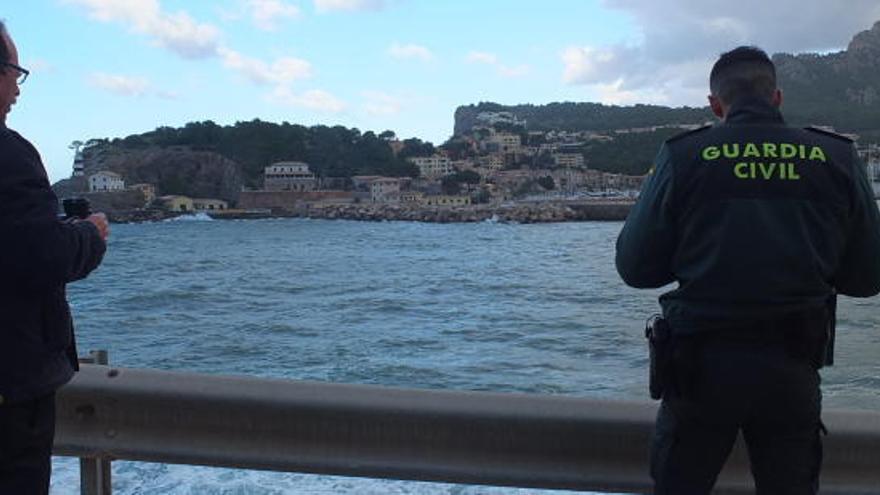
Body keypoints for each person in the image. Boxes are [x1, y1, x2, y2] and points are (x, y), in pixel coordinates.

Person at [616, 46, 880, 494]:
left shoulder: (683, 156)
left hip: (699, 369)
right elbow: (868, 278)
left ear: (716, 105)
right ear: (776, 97)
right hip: (792, 366)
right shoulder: (835, 156)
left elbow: (636, 268)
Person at [0, 20, 109, 493]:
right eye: (15, 72)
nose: (18, 90)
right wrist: (89, 236)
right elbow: (39, 256)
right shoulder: (7, 154)